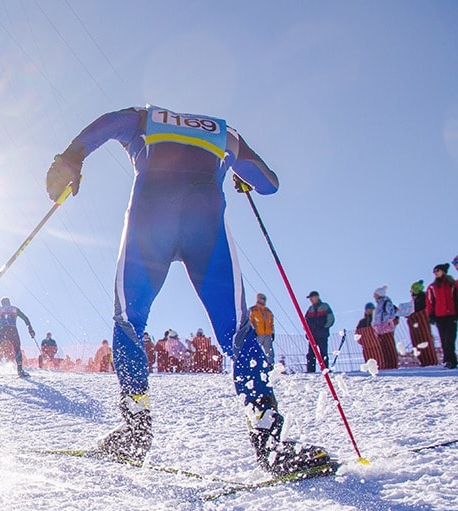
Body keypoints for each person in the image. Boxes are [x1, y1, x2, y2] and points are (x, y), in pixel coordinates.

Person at [45, 104, 332, 476]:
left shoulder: (144, 117)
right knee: (238, 333)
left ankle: (135, 431)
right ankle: (270, 441)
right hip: (206, 231)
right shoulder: (227, 134)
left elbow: (108, 125)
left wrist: (70, 159)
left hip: (151, 224)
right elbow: (269, 183)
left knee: (129, 321)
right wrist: (242, 177)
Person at [427, 262, 458, 369]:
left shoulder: (452, 284)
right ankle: (448, 361)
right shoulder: (432, 287)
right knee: (444, 338)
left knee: (450, 338)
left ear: (443, 271)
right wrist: (430, 314)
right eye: (434, 271)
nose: (435, 273)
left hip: (451, 314)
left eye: (437, 270)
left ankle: (451, 360)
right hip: (439, 316)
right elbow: (430, 302)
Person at [406, 280, 438, 367]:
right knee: (418, 341)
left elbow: (419, 309)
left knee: (424, 340)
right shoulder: (416, 299)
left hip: (421, 322)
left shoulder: (422, 298)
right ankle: (424, 360)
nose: (410, 292)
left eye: (412, 289)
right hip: (416, 323)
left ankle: (429, 361)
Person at [304, 291, 334, 373]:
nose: (310, 300)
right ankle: (310, 370)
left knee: (323, 352)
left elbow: (331, 318)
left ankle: (325, 369)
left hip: (322, 334)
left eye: (311, 297)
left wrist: (324, 328)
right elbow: (305, 321)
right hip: (312, 335)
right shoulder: (310, 309)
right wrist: (307, 331)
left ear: (317, 297)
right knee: (311, 353)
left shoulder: (324, 306)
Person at [370, 286, 399, 370]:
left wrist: (385, 321)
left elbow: (391, 314)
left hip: (386, 328)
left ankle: (393, 364)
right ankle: (387, 364)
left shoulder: (386, 302)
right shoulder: (378, 304)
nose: (374, 296)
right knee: (384, 348)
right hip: (380, 330)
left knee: (389, 346)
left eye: (375, 294)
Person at [248, 293, 276, 366]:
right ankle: (255, 365)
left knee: (269, 350)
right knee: (255, 349)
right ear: (258, 299)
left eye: (264, 299)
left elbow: (271, 323)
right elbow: (250, 321)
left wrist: (272, 332)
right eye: (262, 298)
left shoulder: (268, 311)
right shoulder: (253, 310)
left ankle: (270, 365)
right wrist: (253, 330)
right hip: (258, 334)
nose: (263, 300)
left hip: (267, 334)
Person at [354, 302, 384, 367]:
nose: (371, 310)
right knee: (369, 364)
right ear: (366, 310)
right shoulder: (362, 322)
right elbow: (357, 334)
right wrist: (363, 342)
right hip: (366, 347)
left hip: (377, 345)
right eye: (369, 308)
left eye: (373, 308)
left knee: (379, 362)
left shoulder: (377, 320)